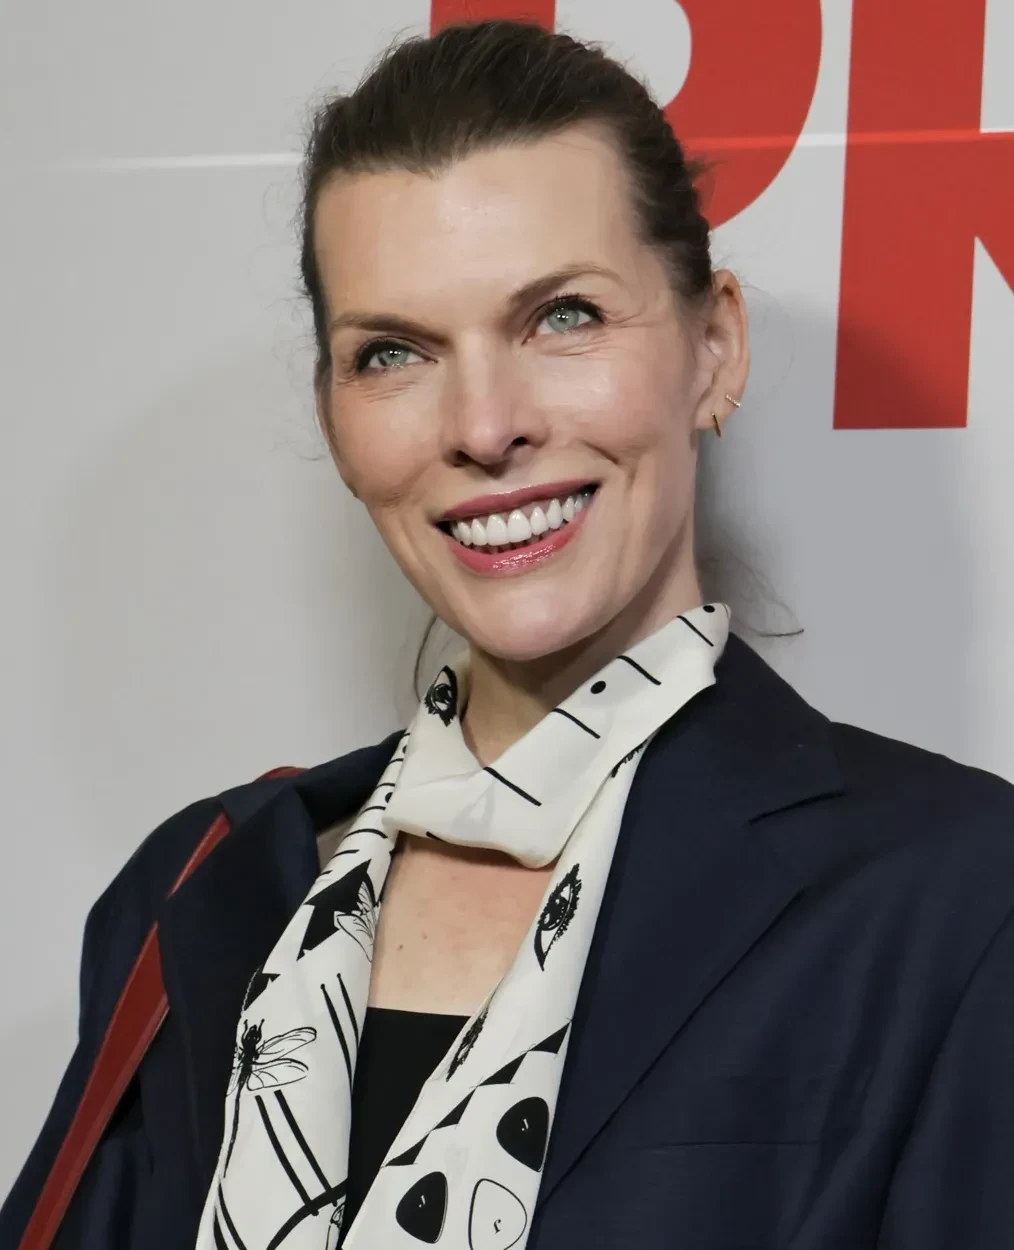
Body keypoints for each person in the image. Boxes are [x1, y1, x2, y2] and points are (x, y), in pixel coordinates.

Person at [4, 17, 1014, 1250]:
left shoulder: (956, 898)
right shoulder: (204, 884)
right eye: (393, 352)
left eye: (563, 316)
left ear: (714, 347)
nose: (484, 425)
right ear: (333, 416)